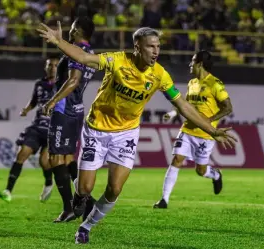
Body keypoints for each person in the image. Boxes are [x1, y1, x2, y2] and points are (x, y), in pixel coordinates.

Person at [37, 23, 237, 244]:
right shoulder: (117, 61)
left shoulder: (160, 75)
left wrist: (212, 130)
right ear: (137, 47)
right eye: (151, 46)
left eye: (158, 46)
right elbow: (84, 58)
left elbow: (182, 105)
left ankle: (86, 226)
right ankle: (79, 198)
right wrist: (59, 42)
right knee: (85, 187)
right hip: (97, 129)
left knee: (114, 189)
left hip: (126, 134)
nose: (156, 51)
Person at [153, 50, 233, 209]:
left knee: (201, 170)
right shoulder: (192, 83)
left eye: (193, 61)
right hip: (187, 130)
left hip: (205, 135)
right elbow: (185, 104)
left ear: (200, 64)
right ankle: (164, 200)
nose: (190, 64)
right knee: (176, 160)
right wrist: (173, 112)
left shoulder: (215, 84)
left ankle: (216, 175)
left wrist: (208, 121)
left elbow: (228, 108)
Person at [42, 17, 96, 222]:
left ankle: (70, 207)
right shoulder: (90, 53)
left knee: (54, 158)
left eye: (73, 29)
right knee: (66, 159)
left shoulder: (77, 52)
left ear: (80, 30)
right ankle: (88, 204)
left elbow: (73, 80)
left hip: (64, 109)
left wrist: (52, 102)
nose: (70, 32)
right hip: (77, 109)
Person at [0, 57, 58, 203]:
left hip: (54, 128)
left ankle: (49, 182)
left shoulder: (63, 84)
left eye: (55, 65)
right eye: (50, 65)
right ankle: (8, 190)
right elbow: (34, 101)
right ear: (45, 67)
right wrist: (27, 109)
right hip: (37, 126)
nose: (52, 68)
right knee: (22, 153)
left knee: (44, 160)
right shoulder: (39, 84)